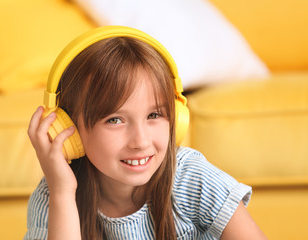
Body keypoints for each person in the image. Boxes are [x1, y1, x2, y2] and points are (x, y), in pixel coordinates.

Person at [24, 26, 266, 240]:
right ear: (70, 131)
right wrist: (63, 193)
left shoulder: (191, 178)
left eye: (154, 116)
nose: (140, 141)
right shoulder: (54, 195)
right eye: (115, 120)